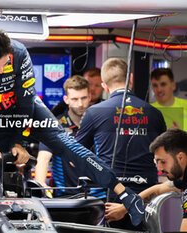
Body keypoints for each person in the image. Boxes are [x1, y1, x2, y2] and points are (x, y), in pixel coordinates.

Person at [0, 28, 146, 226]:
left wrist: (18, 141)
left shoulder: (19, 52)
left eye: (4, 64)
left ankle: (127, 195)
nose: (1, 71)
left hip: (26, 108)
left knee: (68, 146)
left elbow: (26, 101)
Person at [76, 58, 166, 230]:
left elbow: (76, 156)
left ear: (104, 85)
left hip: (110, 195)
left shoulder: (94, 112)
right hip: (146, 196)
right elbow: (164, 158)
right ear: (130, 78)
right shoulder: (155, 113)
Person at [105, 129, 187, 232]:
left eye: (163, 162)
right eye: (157, 162)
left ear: (181, 157)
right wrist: (124, 208)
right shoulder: (182, 177)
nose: (159, 169)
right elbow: (158, 190)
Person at [34, 75, 90, 196]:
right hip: (64, 196)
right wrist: (40, 183)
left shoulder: (99, 123)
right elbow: (43, 158)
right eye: (75, 99)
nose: (80, 104)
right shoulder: (54, 126)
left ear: (90, 97)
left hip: (97, 196)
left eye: (84, 98)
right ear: (66, 99)